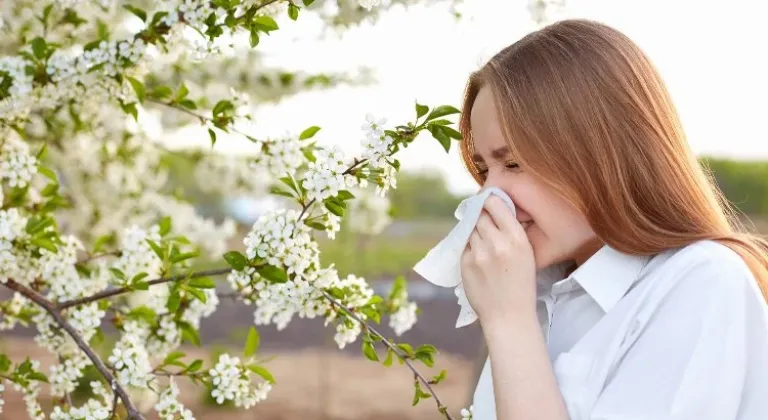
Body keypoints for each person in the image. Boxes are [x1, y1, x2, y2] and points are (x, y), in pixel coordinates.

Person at [457, 18, 768, 420]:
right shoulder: (537, 291)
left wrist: (508, 323)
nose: (488, 197)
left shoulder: (701, 282)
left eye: (513, 163)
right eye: (483, 171)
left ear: (602, 153)